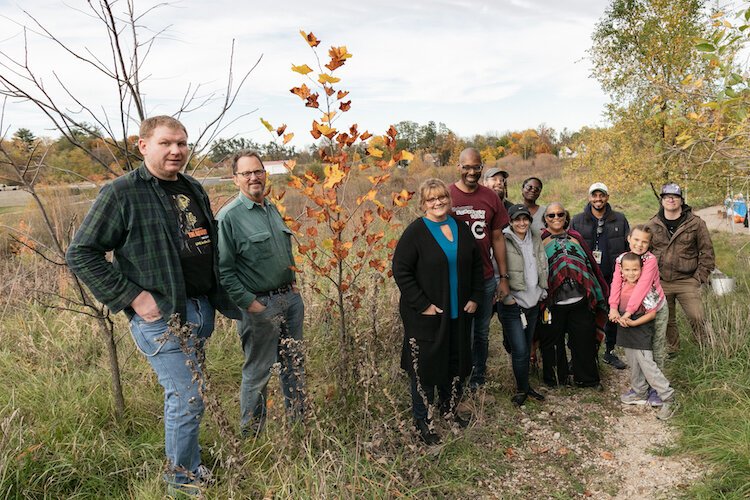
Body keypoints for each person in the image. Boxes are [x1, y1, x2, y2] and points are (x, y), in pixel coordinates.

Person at [66, 115, 240, 492]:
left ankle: (189, 463)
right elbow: (82, 253)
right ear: (143, 145)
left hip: (197, 309)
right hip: (161, 316)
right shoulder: (122, 192)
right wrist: (133, 296)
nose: (176, 150)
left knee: (191, 392)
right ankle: (182, 482)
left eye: (182, 143)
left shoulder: (192, 187)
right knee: (187, 396)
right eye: (166, 143)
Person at [217, 150, 305, 437]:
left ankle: (299, 428)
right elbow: (223, 270)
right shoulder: (229, 217)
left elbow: (282, 249)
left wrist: (291, 284)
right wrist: (250, 304)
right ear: (235, 180)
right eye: (246, 173)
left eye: (258, 171)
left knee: (294, 365)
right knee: (258, 372)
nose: (254, 177)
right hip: (259, 306)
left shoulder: (270, 208)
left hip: (289, 301)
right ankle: (252, 437)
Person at [393, 178, 483, 444]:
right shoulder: (416, 232)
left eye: (442, 197)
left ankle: (449, 410)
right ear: (423, 203)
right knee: (425, 368)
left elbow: (477, 264)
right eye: (431, 199)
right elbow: (401, 270)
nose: (438, 202)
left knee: (453, 362)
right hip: (427, 315)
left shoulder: (461, 228)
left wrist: (476, 296)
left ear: (449, 198)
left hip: (458, 313)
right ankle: (423, 421)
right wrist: (422, 304)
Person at [449, 148, 510, 391]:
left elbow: (497, 238)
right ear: (458, 166)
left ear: (482, 167)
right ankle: (457, 375)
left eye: (476, 167)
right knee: (458, 330)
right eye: (467, 167)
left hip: (484, 277)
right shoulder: (448, 195)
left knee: (481, 332)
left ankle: (478, 376)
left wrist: (503, 277)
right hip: (455, 279)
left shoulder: (491, 197)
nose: (472, 172)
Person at [540, 202, 608, 388]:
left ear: (566, 216)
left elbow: (591, 266)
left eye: (560, 214)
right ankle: (556, 379)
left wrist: (599, 291)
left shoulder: (576, 237)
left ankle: (586, 379)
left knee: (583, 340)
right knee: (553, 342)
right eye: (551, 215)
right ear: (545, 219)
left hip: (580, 299)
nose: (556, 218)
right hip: (553, 303)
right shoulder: (539, 240)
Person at [646, 183, 715, 353]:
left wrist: (699, 278)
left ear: (681, 200)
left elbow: (707, 252)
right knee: (668, 320)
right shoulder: (652, 224)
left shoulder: (696, 223)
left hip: (687, 280)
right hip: (661, 281)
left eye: (675, 196)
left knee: (697, 316)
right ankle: (673, 350)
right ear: (662, 200)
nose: (671, 199)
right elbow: (645, 253)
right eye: (667, 196)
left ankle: (705, 349)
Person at [570, 182, 630, 370]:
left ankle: (609, 352)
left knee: (612, 315)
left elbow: (628, 249)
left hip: (613, 277)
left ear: (607, 197)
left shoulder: (619, 219)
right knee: (584, 316)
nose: (598, 199)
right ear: (589, 197)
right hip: (586, 278)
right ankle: (581, 353)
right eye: (594, 195)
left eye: (601, 195)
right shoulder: (578, 220)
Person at [609, 225, 668, 406]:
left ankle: (656, 390)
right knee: (636, 350)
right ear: (629, 238)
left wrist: (627, 312)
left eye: (644, 242)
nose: (639, 244)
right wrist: (613, 307)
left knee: (654, 348)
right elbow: (616, 284)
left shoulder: (649, 261)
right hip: (632, 311)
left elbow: (642, 289)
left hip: (653, 309)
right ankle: (639, 389)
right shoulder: (622, 260)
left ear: (650, 244)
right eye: (636, 240)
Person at [614, 253, 677, 420]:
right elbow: (616, 303)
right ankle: (639, 391)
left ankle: (667, 395)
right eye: (627, 270)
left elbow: (651, 314)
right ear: (621, 270)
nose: (631, 273)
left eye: (635, 270)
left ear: (642, 270)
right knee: (632, 361)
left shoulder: (646, 289)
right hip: (626, 328)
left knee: (647, 363)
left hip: (640, 328)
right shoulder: (621, 285)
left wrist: (634, 323)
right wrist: (615, 314)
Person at [499, 204, 548, 406]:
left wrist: (543, 289)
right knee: (519, 349)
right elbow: (496, 270)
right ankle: (521, 390)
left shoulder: (536, 237)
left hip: (533, 302)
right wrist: (506, 297)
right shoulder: (503, 239)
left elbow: (542, 263)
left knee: (526, 347)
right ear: (510, 221)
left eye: (525, 219)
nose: (522, 223)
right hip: (513, 304)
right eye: (517, 219)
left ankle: (526, 385)